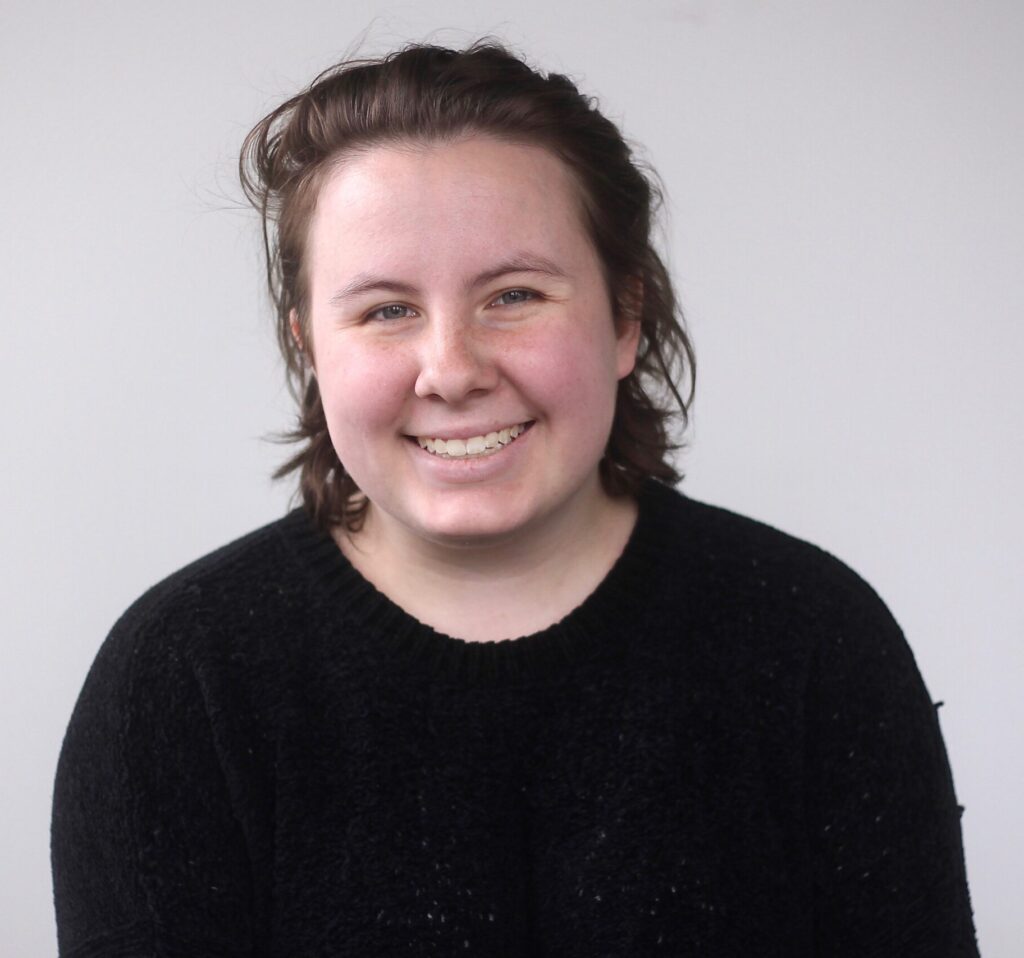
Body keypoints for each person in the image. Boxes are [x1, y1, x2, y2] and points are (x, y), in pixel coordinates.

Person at [51, 40, 979, 956]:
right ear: (308, 347)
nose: (451, 371)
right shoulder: (180, 681)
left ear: (625, 316)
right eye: (385, 310)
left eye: (515, 295)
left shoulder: (813, 637)